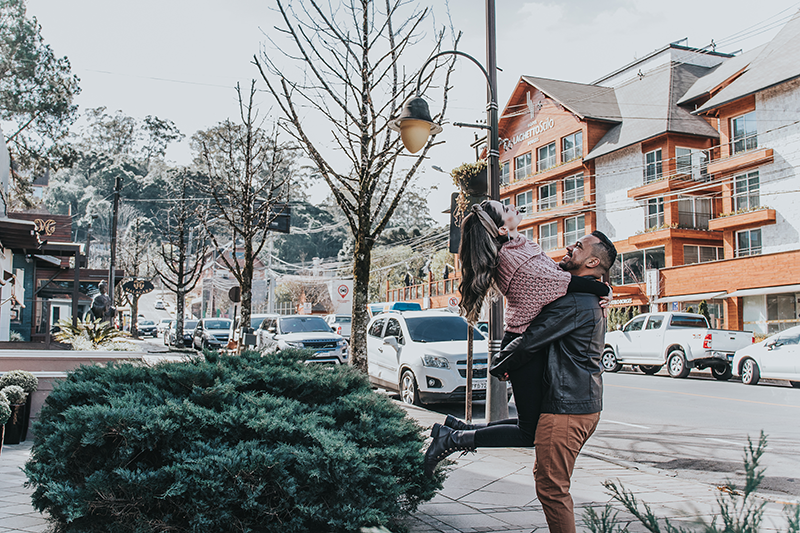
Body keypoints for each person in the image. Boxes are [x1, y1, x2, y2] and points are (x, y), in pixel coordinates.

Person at [424, 200, 609, 476]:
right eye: (506, 209)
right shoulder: (514, 261)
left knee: (529, 424)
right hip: (523, 344)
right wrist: (603, 290)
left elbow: (557, 274)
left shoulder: (520, 244)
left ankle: (458, 430)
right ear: (501, 229)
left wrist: (602, 288)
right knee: (529, 432)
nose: (512, 206)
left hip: (528, 342)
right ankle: (453, 439)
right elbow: (562, 282)